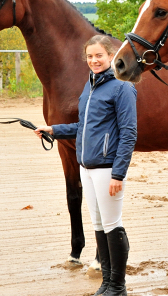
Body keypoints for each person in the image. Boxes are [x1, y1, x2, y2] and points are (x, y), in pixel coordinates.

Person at [34, 35, 137, 296]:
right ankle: (107, 283)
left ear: (111, 56)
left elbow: (128, 133)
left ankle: (118, 285)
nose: (94, 61)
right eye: (90, 56)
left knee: (113, 224)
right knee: (99, 225)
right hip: (86, 167)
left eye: (99, 55)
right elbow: (84, 127)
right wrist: (54, 129)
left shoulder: (121, 88)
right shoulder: (90, 87)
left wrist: (118, 173)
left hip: (107, 168)